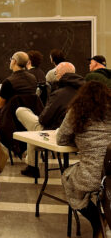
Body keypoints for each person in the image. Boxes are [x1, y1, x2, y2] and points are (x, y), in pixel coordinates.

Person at [57, 81, 111, 238]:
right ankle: (104, 221)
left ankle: (97, 221)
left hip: (92, 175)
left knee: (68, 178)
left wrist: (79, 140)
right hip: (110, 172)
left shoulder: (77, 111)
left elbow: (61, 139)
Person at [15, 62, 84, 178]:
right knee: (33, 131)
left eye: (56, 73)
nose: (55, 76)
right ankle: (31, 165)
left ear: (61, 75)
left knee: (21, 111)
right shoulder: (85, 91)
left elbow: (43, 120)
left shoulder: (59, 93)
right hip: (78, 136)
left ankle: (32, 166)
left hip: (56, 133)